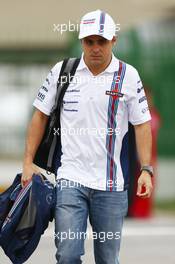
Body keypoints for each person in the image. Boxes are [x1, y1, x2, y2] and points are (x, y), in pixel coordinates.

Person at [22, 10, 153, 264]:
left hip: (111, 186)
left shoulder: (129, 76)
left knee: (107, 259)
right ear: (82, 41)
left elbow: (142, 125)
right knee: (67, 255)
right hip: (70, 181)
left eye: (101, 41)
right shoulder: (63, 71)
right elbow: (39, 115)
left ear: (113, 40)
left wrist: (146, 169)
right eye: (89, 41)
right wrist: (28, 162)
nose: (95, 48)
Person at [128, 87, 161, 218]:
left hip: (151, 155)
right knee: (136, 180)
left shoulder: (154, 115)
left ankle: (145, 211)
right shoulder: (137, 116)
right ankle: (135, 210)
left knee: (150, 180)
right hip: (138, 154)